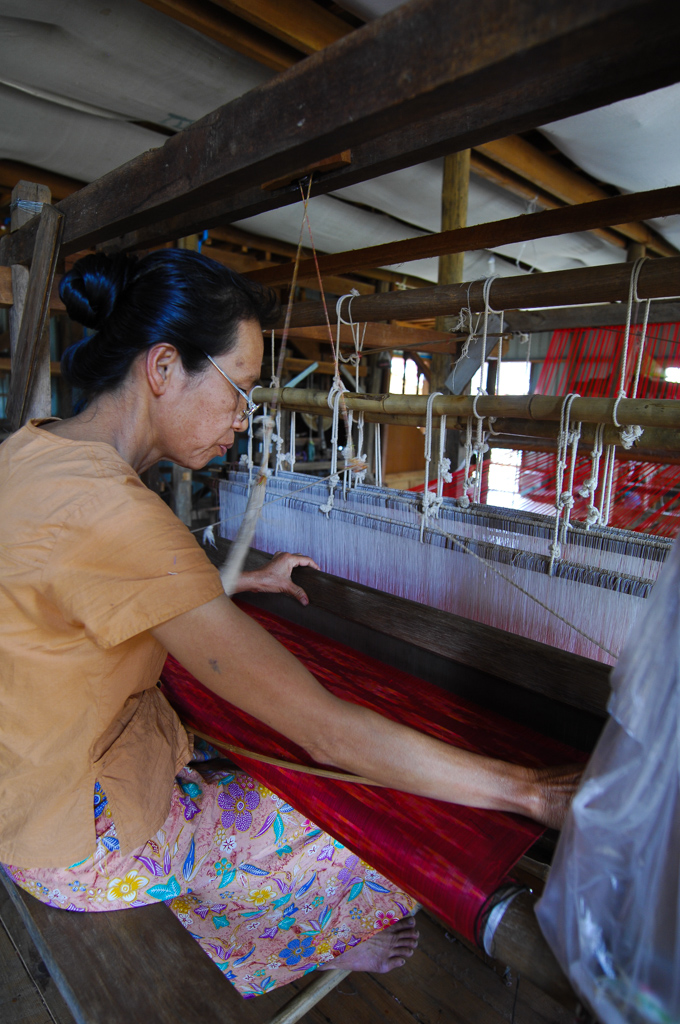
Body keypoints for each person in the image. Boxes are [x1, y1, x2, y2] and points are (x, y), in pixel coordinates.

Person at [0, 250, 580, 999]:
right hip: (73, 842)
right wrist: (531, 792)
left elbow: (74, 581)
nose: (243, 420)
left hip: (23, 786)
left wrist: (232, 582)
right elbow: (328, 734)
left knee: (247, 766)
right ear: (164, 367)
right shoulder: (120, 514)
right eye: (240, 388)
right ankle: (320, 939)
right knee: (371, 820)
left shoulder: (33, 448)